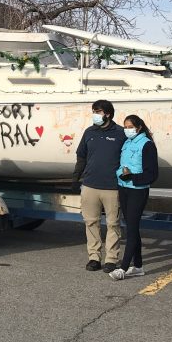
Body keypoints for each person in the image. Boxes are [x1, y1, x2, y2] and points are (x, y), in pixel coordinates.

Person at [72, 99, 125, 273]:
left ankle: (111, 259)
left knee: (113, 224)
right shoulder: (89, 132)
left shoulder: (120, 133)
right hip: (90, 185)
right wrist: (75, 178)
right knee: (91, 222)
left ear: (107, 114)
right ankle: (94, 257)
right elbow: (81, 156)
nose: (95, 114)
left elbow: (130, 157)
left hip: (112, 187)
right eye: (94, 111)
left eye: (98, 111)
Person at [109, 114, 158, 281]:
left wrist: (131, 177)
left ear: (139, 127)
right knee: (131, 226)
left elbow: (152, 174)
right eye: (125, 127)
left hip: (138, 190)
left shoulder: (147, 145)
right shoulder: (127, 142)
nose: (127, 130)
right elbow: (121, 166)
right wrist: (121, 176)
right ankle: (138, 266)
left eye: (130, 127)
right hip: (124, 188)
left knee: (131, 228)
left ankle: (123, 268)